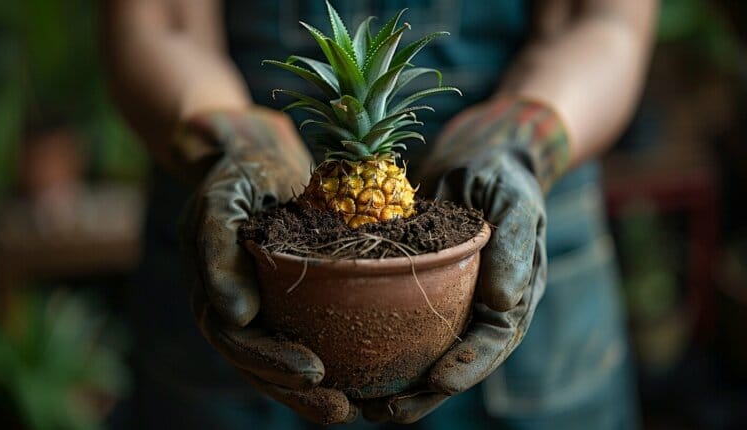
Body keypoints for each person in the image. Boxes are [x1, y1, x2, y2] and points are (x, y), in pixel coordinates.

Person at [103, 1, 658, 428]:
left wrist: (515, 146)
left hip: (520, 209)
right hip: (236, 216)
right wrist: (230, 143)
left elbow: (602, 19)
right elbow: (161, 20)